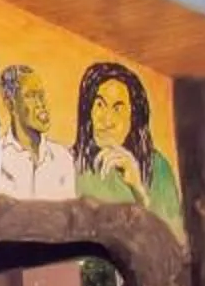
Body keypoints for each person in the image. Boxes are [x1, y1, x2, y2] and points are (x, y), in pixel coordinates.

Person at [71, 60, 183, 224]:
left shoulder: (158, 167)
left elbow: (175, 242)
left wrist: (138, 190)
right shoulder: (68, 162)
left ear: (134, 117)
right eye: (100, 104)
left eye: (117, 109)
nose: (107, 119)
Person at [0, 64, 76, 200]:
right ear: (10, 104)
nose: (41, 103)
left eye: (41, 95)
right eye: (31, 96)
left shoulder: (63, 159)